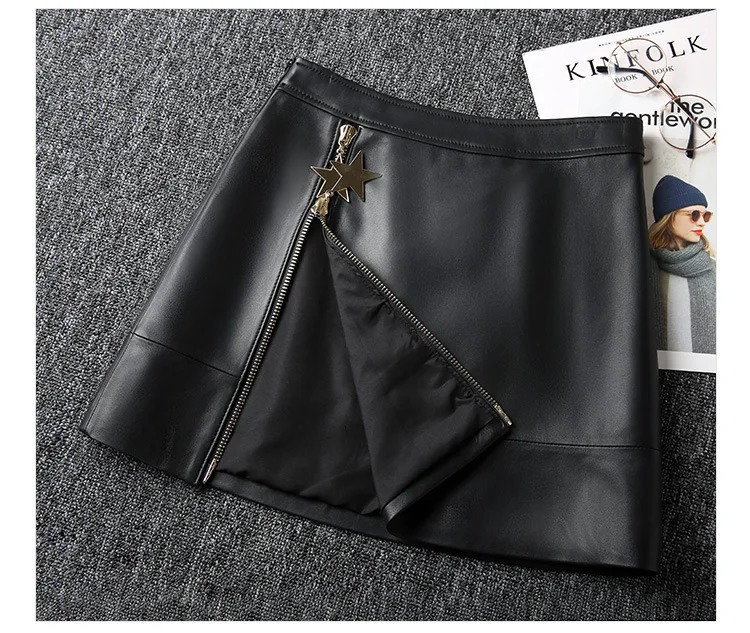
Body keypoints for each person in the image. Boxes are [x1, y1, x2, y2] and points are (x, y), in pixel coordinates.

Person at [648, 175, 716, 354]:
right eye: (694, 215)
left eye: (705, 215)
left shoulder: (713, 267)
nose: (702, 222)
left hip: (706, 368)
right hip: (656, 367)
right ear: (669, 216)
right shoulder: (641, 268)